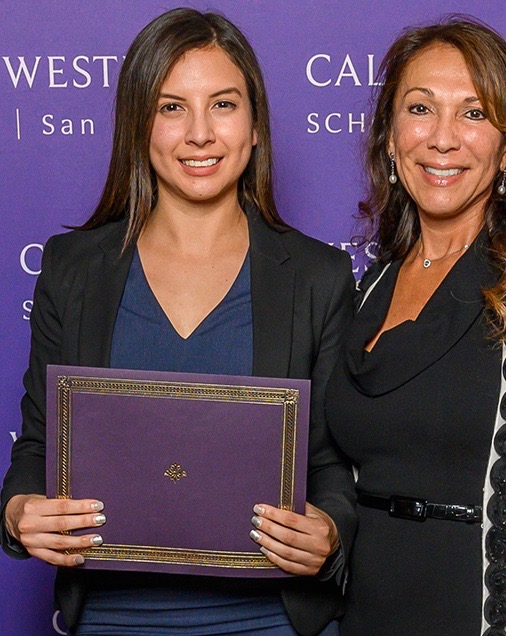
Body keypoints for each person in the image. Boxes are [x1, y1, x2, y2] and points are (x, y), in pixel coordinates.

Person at [0, 9, 357, 636]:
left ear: (253, 129)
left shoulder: (316, 276)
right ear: (139, 128)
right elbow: (37, 447)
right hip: (112, 618)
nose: (199, 133)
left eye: (223, 104)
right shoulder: (73, 269)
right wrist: (17, 510)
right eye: (171, 107)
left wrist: (328, 528)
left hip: (272, 620)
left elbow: (330, 463)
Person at [324, 17, 506, 636]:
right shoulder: (368, 287)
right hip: (362, 614)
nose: (444, 138)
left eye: (474, 114)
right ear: (390, 135)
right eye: (420, 108)